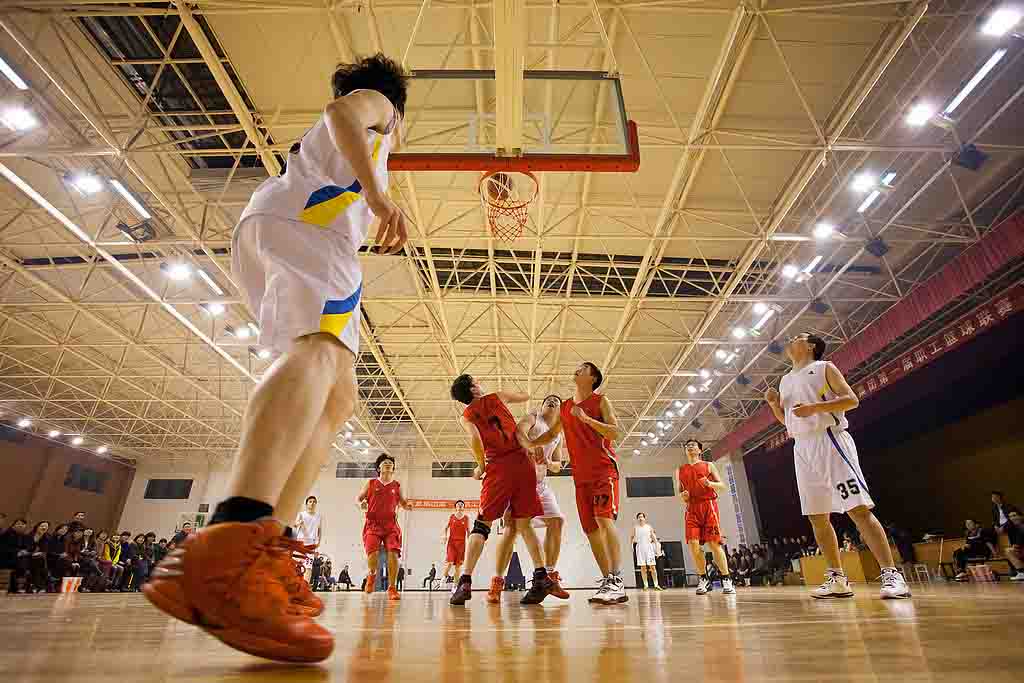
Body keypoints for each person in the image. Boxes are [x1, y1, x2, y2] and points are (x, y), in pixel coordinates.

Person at [143, 53, 410, 663]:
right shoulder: (380, 109)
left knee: (337, 394)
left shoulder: (351, 150)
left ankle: (266, 543)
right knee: (319, 351)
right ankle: (228, 543)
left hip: (291, 225)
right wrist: (377, 190)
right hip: (307, 225)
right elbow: (343, 107)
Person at [764, 333, 910, 600]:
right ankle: (837, 578)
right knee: (817, 516)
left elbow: (851, 399)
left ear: (810, 346)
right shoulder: (785, 380)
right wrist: (775, 405)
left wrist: (815, 408)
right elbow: (789, 421)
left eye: (799, 336)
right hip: (801, 446)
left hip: (829, 438)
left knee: (858, 509)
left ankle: (892, 574)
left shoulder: (824, 368)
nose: (792, 339)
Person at [448, 374, 553, 606]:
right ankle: (541, 575)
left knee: (482, 524)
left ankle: (465, 581)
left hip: (498, 467)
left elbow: (476, 440)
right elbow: (525, 395)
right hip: (524, 464)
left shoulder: (466, 416)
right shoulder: (498, 396)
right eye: (477, 381)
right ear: (474, 388)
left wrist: (481, 466)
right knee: (524, 525)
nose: (480, 383)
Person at [527, 362, 627, 605]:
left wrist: (587, 419)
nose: (577, 370)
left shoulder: (600, 401)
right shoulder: (566, 407)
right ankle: (607, 582)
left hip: (603, 470)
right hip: (581, 478)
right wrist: (531, 446)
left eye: (583, 368)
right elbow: (551, 435)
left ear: (592, 378)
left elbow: (614, 432)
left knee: (604, 520)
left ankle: (616, 579)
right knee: (591, 530)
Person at [487, 395, 571, 603]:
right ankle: (497, 581)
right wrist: (532, 447)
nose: (552, 401)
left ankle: (549, 576)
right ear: (541, 406)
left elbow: (558, 465)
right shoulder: (533, 418)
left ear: (559, 410)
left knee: (557, 521)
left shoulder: (558, 435)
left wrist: (550, 463)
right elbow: (518, 432)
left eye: (556, 401)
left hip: (541, 486)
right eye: (548, 400)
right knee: (511, 530)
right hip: (519, 482)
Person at [677, 438, 735, 596]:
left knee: (714, 544)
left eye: (693, 445)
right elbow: (680, 494)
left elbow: (722, 485)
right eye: (687, 445)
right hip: (691, 509)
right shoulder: (680, 470)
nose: (689, 447)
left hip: (708, 506)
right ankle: (703, 578)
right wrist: (684, 496)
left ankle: (726, 578)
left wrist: (709, 484)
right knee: (693, 545)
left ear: (699, 450)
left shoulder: (709, 465)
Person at [357, 453, 410, 601]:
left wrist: (407, 505)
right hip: (372, 524)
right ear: (379, 467)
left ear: (393, 468)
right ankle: (372, 574)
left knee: (393, 554)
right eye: (384, 462)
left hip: (391, 525)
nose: (387, 464)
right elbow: (358, 498)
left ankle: (392, 588)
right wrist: (360, 504)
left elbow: (403, 502)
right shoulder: (371, 483)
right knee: (372, 555)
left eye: (390, 463)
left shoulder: (397, 486)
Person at [295, 496, 324, 580]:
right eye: (310, 501)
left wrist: (319, 541)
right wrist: (299, 523)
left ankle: (305, 586)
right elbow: (295, 525)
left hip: (311, 544)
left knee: (308, 566)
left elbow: (319, 529)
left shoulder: (318, 516)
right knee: (297, 564)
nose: (312, 503)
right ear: (306, 504)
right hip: (300, 543)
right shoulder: (301, 514)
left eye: (314, 502)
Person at [631, 513, 662, 590]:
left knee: (652, 567)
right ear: (637, 519)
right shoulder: (635, 528)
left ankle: (656, 585)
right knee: (643, 567)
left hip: (649, 547)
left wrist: (657, 549)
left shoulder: (649, 527)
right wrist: (631, 546)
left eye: (642, 517)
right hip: (640, 548)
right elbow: (631, 537)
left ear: (644, 518)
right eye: (639, 517)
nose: (640, 518)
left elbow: (654, 538)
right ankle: (646, 585)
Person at [442, 501, 470, 585]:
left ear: (463, 507)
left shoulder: (466, 518)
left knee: (458, 567)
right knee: (450, 562)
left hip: (461, 544)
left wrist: (471, 542)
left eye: (462, 505)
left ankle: (455, 585)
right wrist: (444, 536)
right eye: (458, 505)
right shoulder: (452, 517)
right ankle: (445, 576)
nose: (460, 506)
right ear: (456, 507)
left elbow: (468, 531)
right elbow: (446, 528)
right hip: (452, 543)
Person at [1004, 510, 1024, 580]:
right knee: (1009, 550)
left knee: (1009, 551)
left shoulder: (1022, 527)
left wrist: (1016, 546)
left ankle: (1022, 572)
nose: (1012, 518)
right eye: (1010, 517)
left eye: (1014, 515)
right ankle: (1021, 572)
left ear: (1021, 516)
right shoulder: (1015, 529)